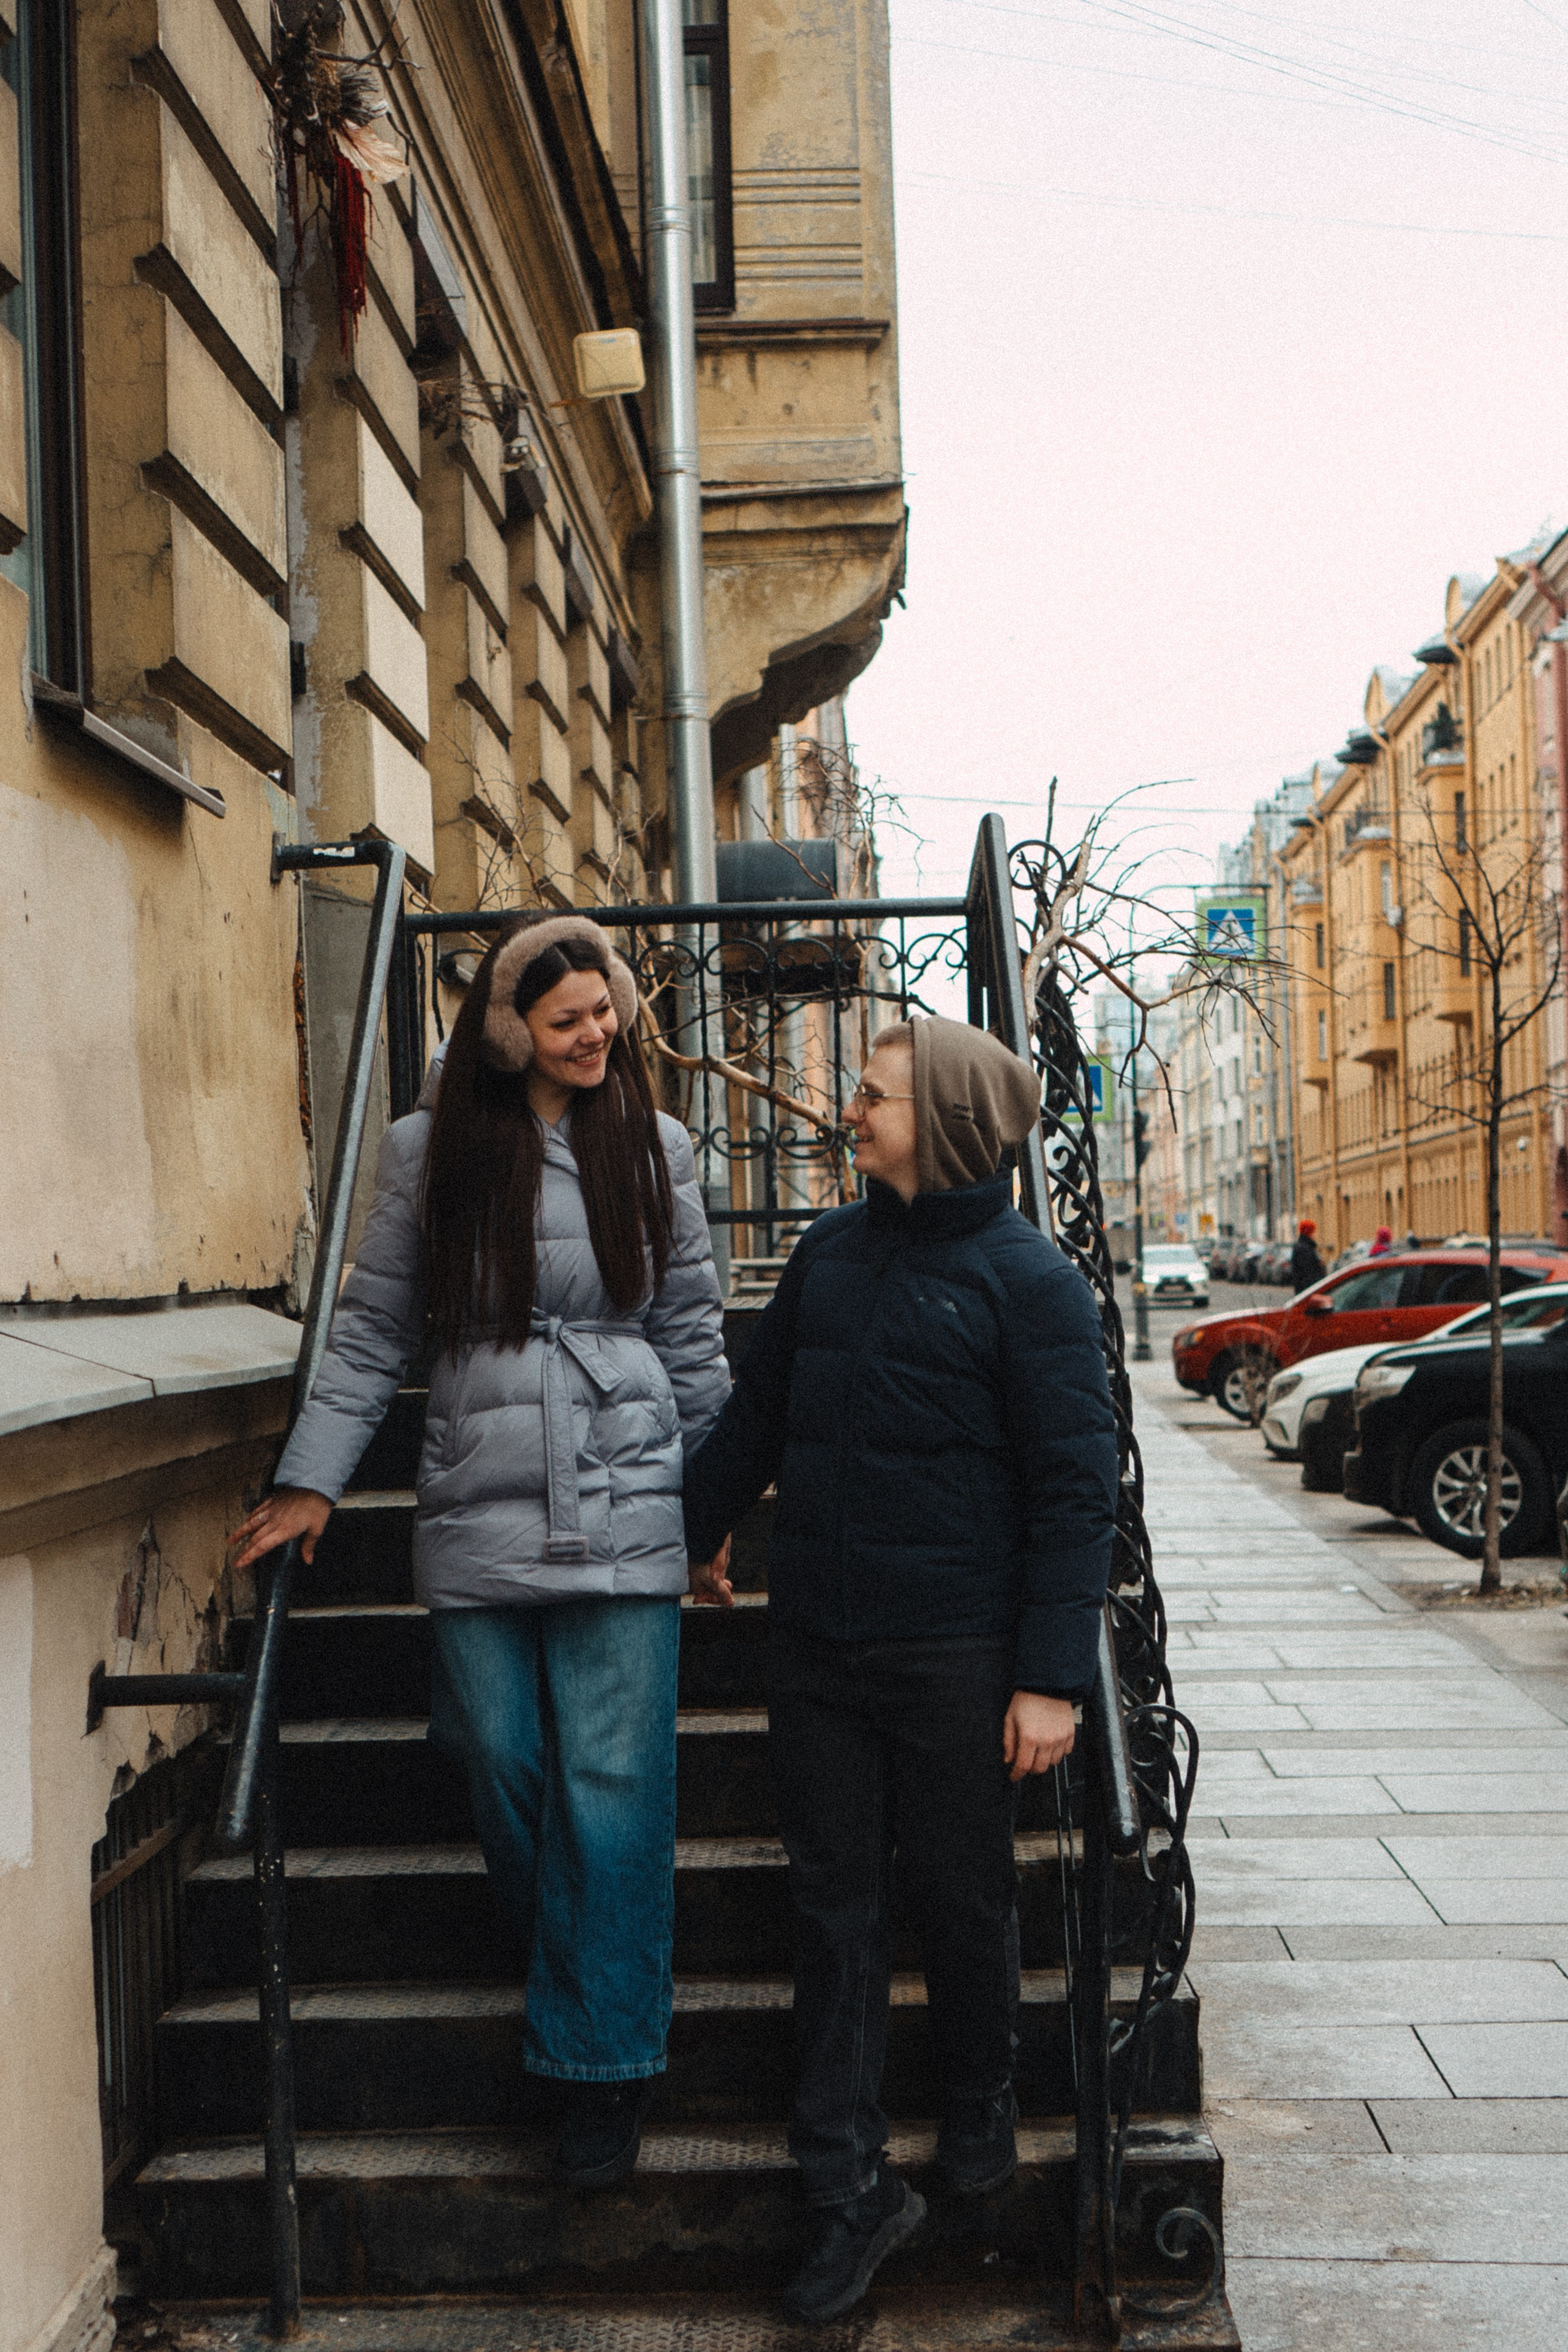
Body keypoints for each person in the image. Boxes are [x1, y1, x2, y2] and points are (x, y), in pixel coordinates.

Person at [231, 913, 731, 2188]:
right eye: (566, 1022)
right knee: (497, 1753)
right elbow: (374, 1328)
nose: (595, 1036)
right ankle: (581, 1976)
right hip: (474, 1494)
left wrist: (712, 1513)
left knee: (612, 1785)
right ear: (507, 1033)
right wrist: (311, 1481)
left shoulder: (657, 1145)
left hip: (622, 1492)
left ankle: (602, 2071)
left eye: (604, 1014)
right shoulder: (429, 1148)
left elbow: (692, 1343)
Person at [682, 1015, 1119, 2326]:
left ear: (941, 1125)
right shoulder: (827, 1252)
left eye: (869, 1097)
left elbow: (1071, 1488)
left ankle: (980, 2103)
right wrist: (697, 1523)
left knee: (957, 1894)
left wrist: (1050, 1676)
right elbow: (755, 1415)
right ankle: (845, 2188)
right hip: (817, 1643)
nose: (848, 1114)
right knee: (831, 1916)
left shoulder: (1028, 1281)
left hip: (952, 1652)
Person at [1289, 1218, 1325, 1293]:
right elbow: (1307, 1272)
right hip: (1308, 1291)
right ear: (1309, 1232)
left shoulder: (1306, 1247)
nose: (1315, 1235)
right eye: (1313, 1232)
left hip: (1306, 1289)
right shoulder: (1305, 1249)